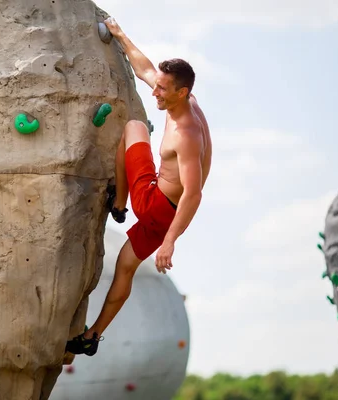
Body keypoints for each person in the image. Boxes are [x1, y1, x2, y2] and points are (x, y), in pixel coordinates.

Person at [65, 16, 212, 356]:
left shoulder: (186, 134)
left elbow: (194, 193)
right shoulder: (184, 101)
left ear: (182, 92)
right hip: (165, 214)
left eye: (162, 89)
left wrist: (170, 243)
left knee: (134, 126)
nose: (155, 92)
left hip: (155, 204)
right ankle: (92, 336)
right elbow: (146, 69)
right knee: (127, 266)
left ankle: (119, 203)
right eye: (157, 86)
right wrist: (120, 35)